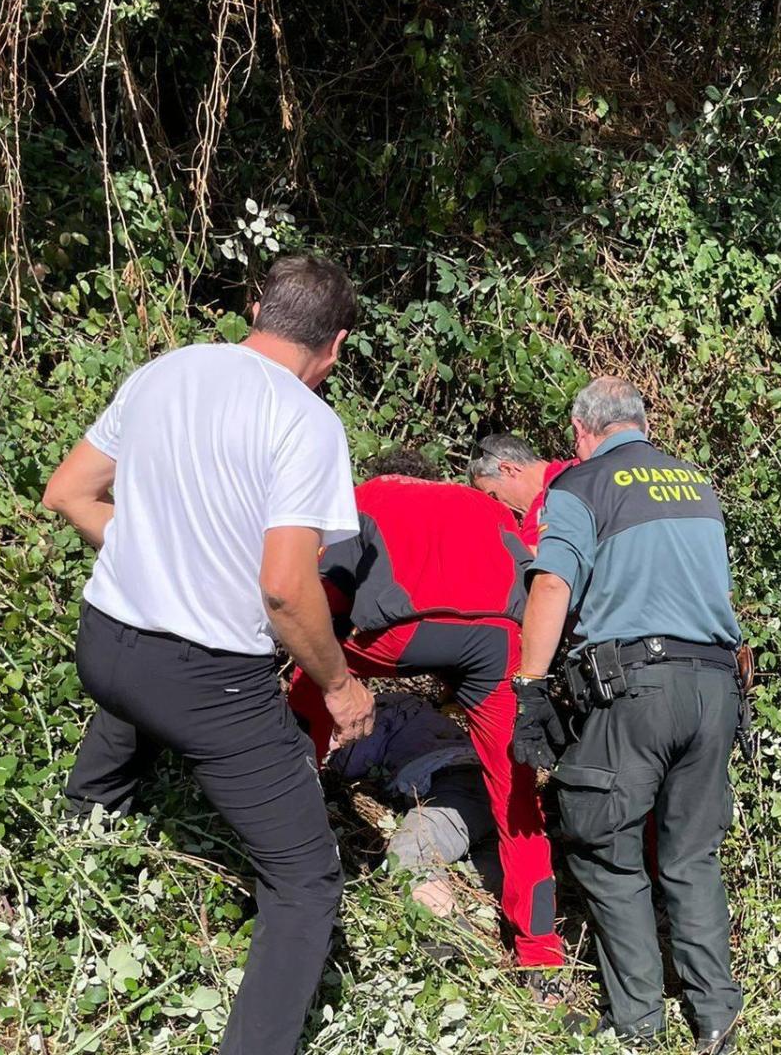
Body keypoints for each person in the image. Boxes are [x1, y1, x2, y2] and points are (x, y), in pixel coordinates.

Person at [41, 255, 374, 1055]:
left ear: (256, 308)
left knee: (132, 708)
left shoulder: (164, 372)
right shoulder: (305, 420)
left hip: (105, 643)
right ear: (333, 347)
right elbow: (288, 591)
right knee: (305, 882)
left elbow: (68, 493)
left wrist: (156, 558)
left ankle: (63, 892)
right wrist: (340, 686)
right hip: (205, 683)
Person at [511, 377, 745, 1053]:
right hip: (715, 691)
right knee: (691, 857)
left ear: (582, 432)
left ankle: (638, 1024)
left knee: (605, 847)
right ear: (641, 422)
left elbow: (553, 582)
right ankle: (716, 1019)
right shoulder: (695, 484)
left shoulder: (581, 487)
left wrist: (530, 685)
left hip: (636, 690)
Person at [284, 447, 568, 977]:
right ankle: (540, 955)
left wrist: (327, 670)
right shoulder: (485, 507)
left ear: (381, 472)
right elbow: (530, 580)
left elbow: (324, 590)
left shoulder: (365, 498)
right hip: (495, 642)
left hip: (398, 633)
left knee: (312, 672)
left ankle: (292, 798)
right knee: (516, 795)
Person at [321, 685, 495, 919]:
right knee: (477, 879)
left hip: (454, 784)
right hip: (474, 788)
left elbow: (352, 763)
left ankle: (444, 951)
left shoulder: (378, 711)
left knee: (412, 857)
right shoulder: (405, 707)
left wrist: (326, 750)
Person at [468, 432, 575, 548]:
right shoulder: (586, 466)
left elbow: (526, 562)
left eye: (494, 496)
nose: (501, 506)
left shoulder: (541, 512)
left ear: (508, 469)